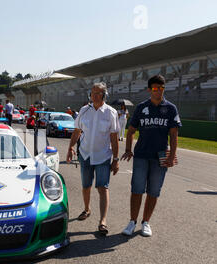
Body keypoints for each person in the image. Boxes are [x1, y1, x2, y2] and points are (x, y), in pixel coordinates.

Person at [121, 75, 182, 237]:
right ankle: (132, 222)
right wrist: (128, 149)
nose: (158, 91)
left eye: (161, 88)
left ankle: (145, 222)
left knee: (154, 191)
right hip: (141, 154)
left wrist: (172, 156)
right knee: (137, 189)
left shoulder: (170, 108)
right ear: (149, 90)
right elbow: (131, 130)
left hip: (160, 156)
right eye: (155, 88)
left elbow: (174, 135)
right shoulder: (142, 107)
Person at [66, 82, 120, 236]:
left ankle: (103, 221)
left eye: (97, 93)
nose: (94, 96)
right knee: (86, 186)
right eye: (92, 93)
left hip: (103, 156)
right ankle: (87, 209)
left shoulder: (111, 113)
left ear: (104, 95)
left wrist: (115, 159)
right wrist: (70, 147)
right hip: (85, 155)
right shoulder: (84, 110)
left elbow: (114, 138)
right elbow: (77, 131)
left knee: (103, 187)